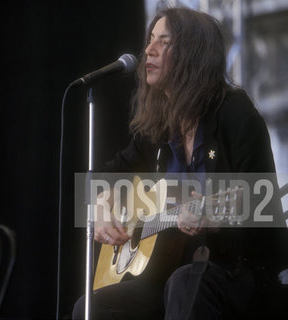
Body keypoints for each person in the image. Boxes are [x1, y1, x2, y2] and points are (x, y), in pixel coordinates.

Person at [72, 7, 287, 320]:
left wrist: (212, 219)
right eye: (150, 40)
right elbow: (105, 175)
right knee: (90, 308)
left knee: (185, 284)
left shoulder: (235, 114)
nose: (148, 49)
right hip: (171, 273)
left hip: (236, 272)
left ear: (193, 54)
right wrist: (101, 204)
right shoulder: (160, 125)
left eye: (164, 42)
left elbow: (264, 215)